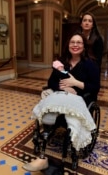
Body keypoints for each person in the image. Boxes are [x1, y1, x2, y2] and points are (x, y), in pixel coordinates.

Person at [22, 32, 100, 172]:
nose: (75, 45)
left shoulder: (90, 64)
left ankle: (71, 145)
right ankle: (42, 157)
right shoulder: (62, 62)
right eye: (72, 42)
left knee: (71, 118)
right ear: (68, 45)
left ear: (84, 45)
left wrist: (76, 84)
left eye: (79, 42)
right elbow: (51, 81)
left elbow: (95, 87)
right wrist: (63, 87)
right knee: (48, 109)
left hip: (81, 97)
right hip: (61, 96)